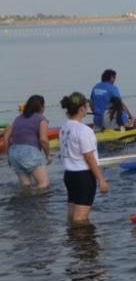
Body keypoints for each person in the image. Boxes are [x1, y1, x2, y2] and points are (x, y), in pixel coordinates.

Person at [59, 92, 110, 224]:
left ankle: (72, 242)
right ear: (81, 108)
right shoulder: (84, 130)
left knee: (72, 215)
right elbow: (88, 156)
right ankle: (84, 244)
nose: (88, 108)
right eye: (86, 106)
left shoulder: (64, 127)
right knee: (81, 219)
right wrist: (101, 180)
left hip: (69, 175)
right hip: (83, 176)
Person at [3, 94, 52, 190]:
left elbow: (6, 136)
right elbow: (43, 139)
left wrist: (8, 155)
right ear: (41, 107)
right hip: (29, 152)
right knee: (44, 184)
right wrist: (48, 155)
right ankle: (39, 204)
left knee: (26, 186)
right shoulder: (42, 119)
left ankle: (25, 203)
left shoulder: (18, 118)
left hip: (14, 153)